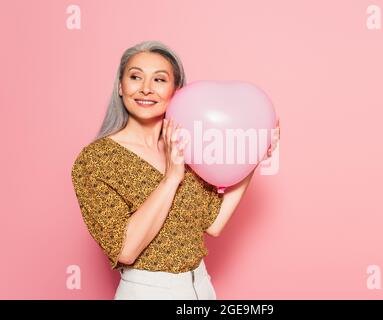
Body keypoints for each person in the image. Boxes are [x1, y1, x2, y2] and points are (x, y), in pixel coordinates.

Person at [71, 40, 280, 300]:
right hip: (148, 291)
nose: (146, 89)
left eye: (159, 80)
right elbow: (125, 250)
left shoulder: (188, 145)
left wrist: (254, 152)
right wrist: (171, 178)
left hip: (201, 286)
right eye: (136, 77)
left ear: (175, 91)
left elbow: (213, 224)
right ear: (121, 88)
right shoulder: (96, 160)